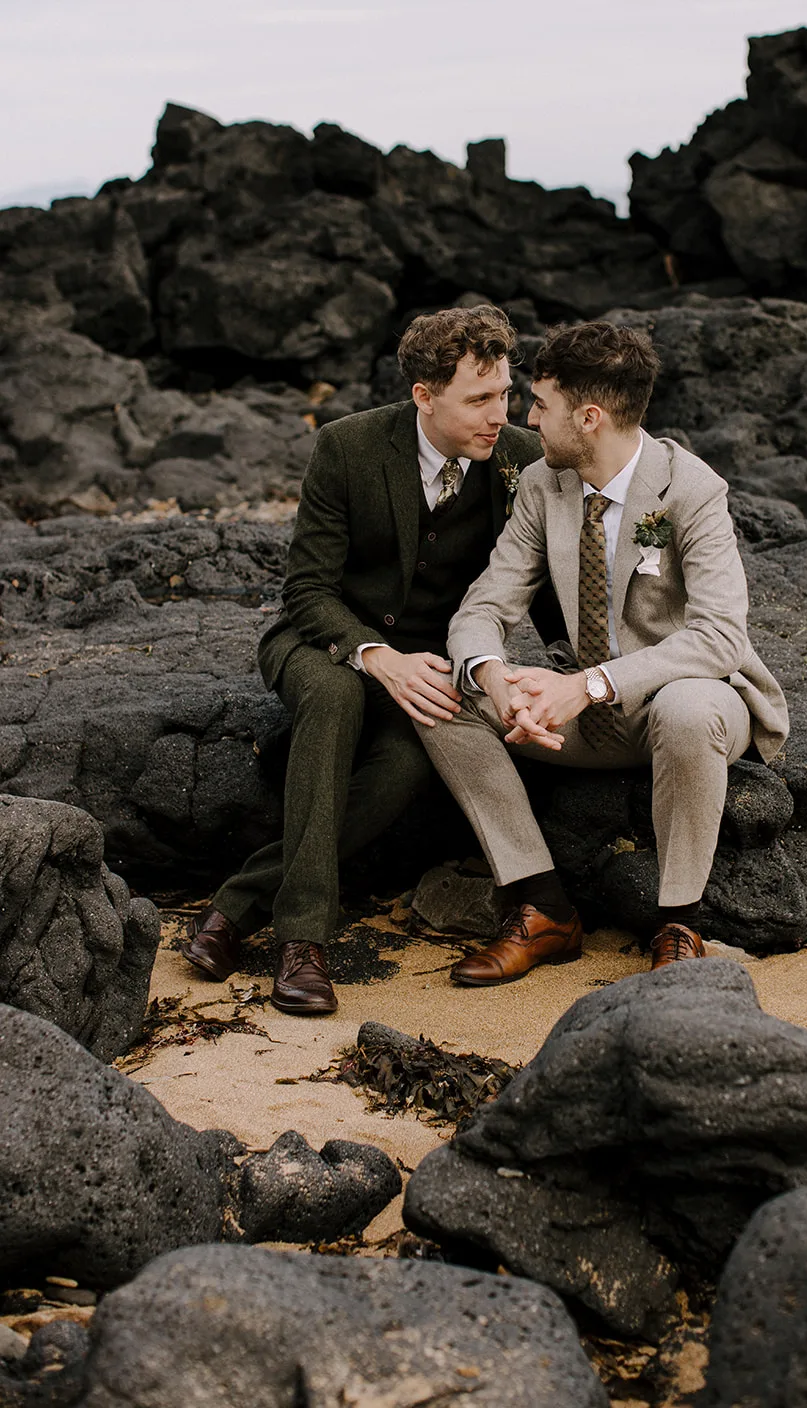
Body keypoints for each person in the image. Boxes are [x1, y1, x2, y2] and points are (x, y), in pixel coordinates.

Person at [181, 304, 561, 1013]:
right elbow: (307, 588)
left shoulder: (518, 458)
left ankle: (234, 908)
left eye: (504, 393)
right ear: (423, 395)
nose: (497, 413)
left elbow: (542, 584)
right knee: (335, 697)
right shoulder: (347, 446)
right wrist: (373, 654)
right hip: (321, 641)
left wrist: (581, 670)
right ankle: (302, 944)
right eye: (477, 398)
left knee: (405, 769)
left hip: (432, 668)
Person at [419, 319, 790, 986]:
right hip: (582, 712)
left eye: (539, 405)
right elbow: (484, 605)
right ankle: (544, 908)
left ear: (588, 417)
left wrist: (588, 685)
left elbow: (717, 637)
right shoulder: (540, 484)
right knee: (438, 694)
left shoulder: (690, 488)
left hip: (685, 702)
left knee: (687, 707)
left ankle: (677, 922)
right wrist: (495, 677)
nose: (524, 418)